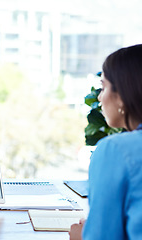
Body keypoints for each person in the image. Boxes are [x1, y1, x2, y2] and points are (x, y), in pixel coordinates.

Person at [69, 44, 142, 240]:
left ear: (123, 95)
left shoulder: (115, 150)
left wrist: (82, 237)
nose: (100, 97)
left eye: (103, 87)